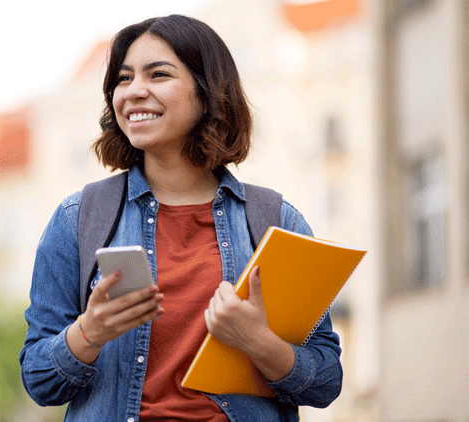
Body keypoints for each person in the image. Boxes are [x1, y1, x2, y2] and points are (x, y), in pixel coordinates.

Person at [19, 14, 342, 422]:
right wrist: (90, 332)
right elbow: (39, 380)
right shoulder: (78, 219)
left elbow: (326, 380)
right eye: (123, 78)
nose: (134, 91)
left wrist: (258, 342)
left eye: (158, 74)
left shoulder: (275, 221)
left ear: (207, 93)